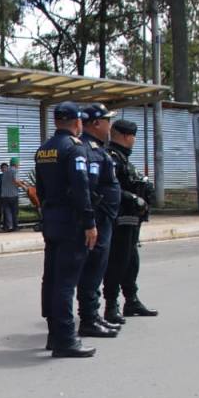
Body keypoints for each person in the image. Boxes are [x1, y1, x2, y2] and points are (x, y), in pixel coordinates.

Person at [35, 102, 97, 358]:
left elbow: (40, 189)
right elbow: (81, 187)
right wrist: (90, 222)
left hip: (51, 219)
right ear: (77, 122)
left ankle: (53, 335)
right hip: (71, 221)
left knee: (50, 279)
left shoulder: (44, 150)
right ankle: (65, 340)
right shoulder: (74, 149)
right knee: (65, 282)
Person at [104, 119, 159, 322]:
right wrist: (134, 198)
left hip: (132, 219)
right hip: (119, 218)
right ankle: (111, 305)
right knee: (117, 262)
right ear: (127, 136)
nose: (134, 140)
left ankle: (131, 300)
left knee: (130, 260)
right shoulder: (111, 157)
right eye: (133, 136)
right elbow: (110, 188)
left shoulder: (123, 158)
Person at [74, 104, 121, 339]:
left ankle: (94, 315)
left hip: (103, 220)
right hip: (98, 221)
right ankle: (89, 318)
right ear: (95, 124)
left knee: (98, 267)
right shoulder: (89, 150)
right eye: (107, 120)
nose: (110, 125)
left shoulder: (97, 149)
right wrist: (91, 220)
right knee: (92, 269)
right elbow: (87, 188)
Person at [0, 157, 23, 231]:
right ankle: (15, 227)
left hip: (4, 195)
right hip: (13, 195)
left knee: (7, 212)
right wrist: (23, 186)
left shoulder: (5, 171)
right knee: (14, 211)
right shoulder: (15, 171)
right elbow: (15, 181)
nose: (19, 165)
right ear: (16, 164)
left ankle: (8, 226)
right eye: (18, 163)